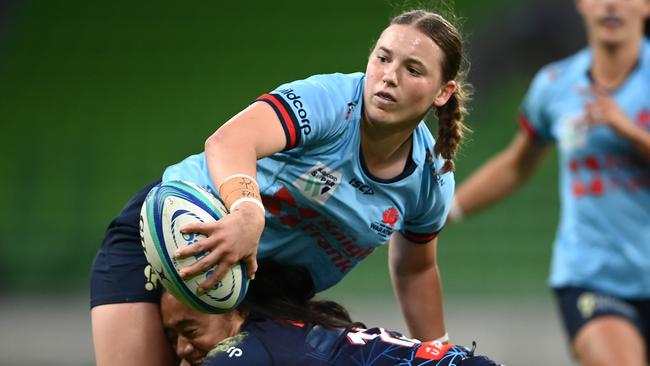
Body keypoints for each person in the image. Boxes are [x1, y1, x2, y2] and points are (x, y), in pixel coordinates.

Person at [91, 8, 471, 366]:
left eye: (413, 69)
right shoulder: (332, 101)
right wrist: (246, 211)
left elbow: (415, 270)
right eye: (383, 58)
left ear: (443, 92)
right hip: (175, 237)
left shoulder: (432, 176)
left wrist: (438, 353)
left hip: (269, 291)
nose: (389, 76)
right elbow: (229, 141)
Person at [449, 0, 650, 365]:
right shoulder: (556, 84)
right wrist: (447, 211)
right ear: (581, 5)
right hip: (593, 278)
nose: (610, 5)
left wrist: (629, 132)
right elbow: (516, 164)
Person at [160, 264, 500, 366]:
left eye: (188, 330)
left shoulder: (245, 352)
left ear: (234, 307)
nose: (180, 350)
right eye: (171, 337)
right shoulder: (290, 329)